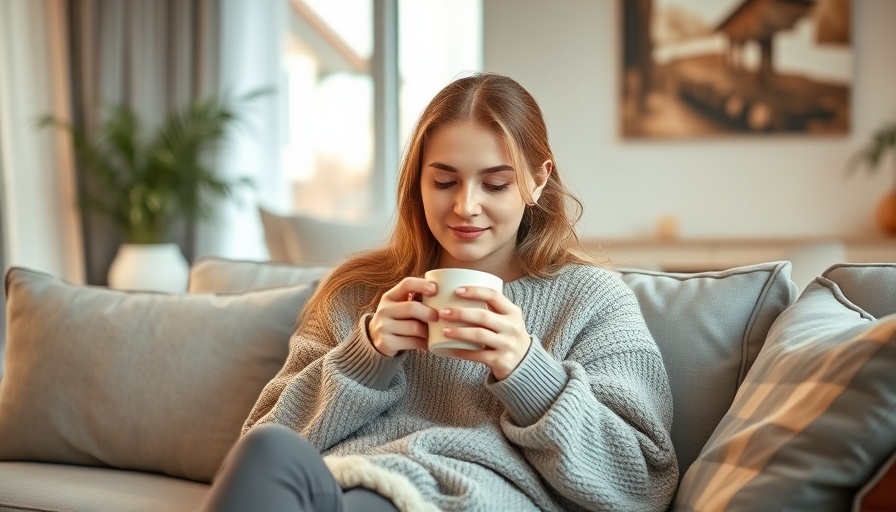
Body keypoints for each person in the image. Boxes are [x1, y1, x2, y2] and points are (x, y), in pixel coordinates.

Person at [201, 72, 678, 512]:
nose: (466, 206)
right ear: (419, 184)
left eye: (495, 184)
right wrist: (365, 358)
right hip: (333, 490)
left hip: (463, 501)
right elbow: (262, 444)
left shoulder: (593, 301)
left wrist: (528, 372)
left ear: (537, 181)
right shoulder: (356, 292)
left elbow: (643, 485)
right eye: (444, 181)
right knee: (267, 448)